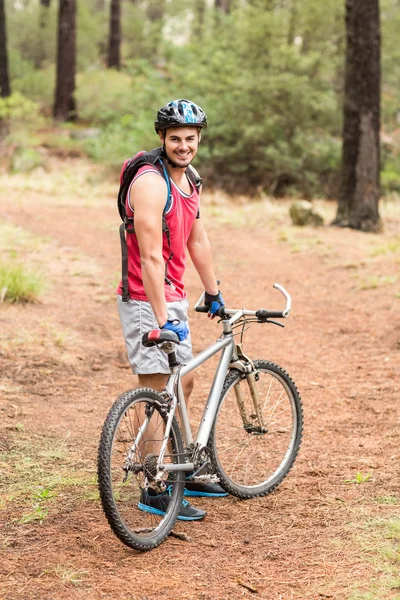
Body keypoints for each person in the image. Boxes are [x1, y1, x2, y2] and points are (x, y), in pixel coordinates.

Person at [117, 99, 227, 521]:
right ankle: (154, 485)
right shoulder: (150, 183)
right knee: (158, 390)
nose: (184, 146)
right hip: (146, 298)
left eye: (191, 139)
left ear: (199, 140)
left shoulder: (190, 179)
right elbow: (149, 259)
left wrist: (213, 291)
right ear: (162, 138)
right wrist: (163, 320)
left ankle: (178, 464)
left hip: (173, 295)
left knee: (186, 382)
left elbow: (197, 240)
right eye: (176, 138)